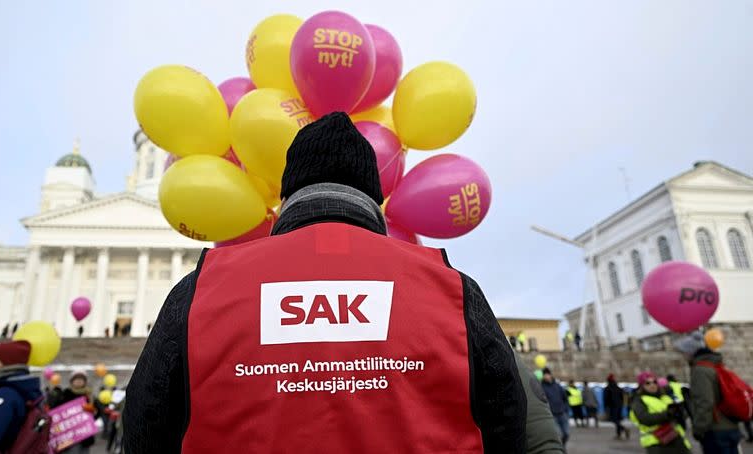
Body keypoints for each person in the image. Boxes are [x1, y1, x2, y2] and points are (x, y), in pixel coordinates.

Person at [124, 113, 527, 454]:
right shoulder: (451, 286)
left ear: (287, 196)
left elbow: (146, 425)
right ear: (373, 195)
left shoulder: (202, 288)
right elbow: (506, 418)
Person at [675, 331, 742, 453]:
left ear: (691, 352)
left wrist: (699, 429)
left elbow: (705, 402)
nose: (683, 356)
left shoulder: (700, 370)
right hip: (730, 426)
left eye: (684, 352)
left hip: (715, 431)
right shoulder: (715, 365)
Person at [514, 352, 565, 453]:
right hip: (552, 412)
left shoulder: (497, 347)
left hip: (558, 412)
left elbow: (542, 444)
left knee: (564, 433)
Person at [629, 371, 691, 453]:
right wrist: (667, 414)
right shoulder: (639, 401)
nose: (652, 385)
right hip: (657, 443)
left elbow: (679, 416)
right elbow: (645, 419)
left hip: (676, 440)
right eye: (647, 383)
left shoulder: (665, 397)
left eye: (654, 382)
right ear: (641, 386)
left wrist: (680, 412)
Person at [54, 369, 96, 453]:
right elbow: (57, 412)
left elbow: (96, 414)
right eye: (76, 379)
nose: (79, 381)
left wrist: (93, 411)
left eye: (81, 379)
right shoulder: (65, 394)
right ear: (72, 381)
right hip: (69, 435)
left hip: (85, 434)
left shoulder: (89, 395)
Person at [541, 368, 570, 447]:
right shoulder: (542, 387)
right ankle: (560, 450)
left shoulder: (557, 386)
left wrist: (565, 409)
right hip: (552, 415)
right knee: (558, 434)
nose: (546, 376)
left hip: (562, 413)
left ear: (550, 375)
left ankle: (562, 447)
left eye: (547, 374)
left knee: (566, 434)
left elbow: (565, 398)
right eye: (544, 375)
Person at [604, 374, 630, 440]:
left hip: (612, 406)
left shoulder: (608, 388)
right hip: (619, 406)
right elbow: (622, 396)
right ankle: (619, 435)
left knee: (614, 420)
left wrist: (606, 407)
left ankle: (624, 428)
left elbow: (606, 398)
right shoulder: (618, 387)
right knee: (618, 420)